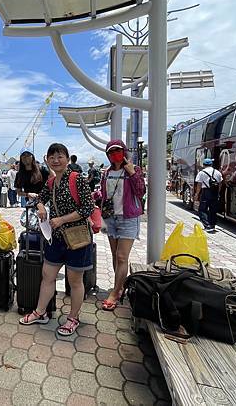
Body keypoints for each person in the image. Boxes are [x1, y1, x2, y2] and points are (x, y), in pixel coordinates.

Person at [19, 143, 94, 336]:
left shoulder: (77, 179)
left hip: (77, 239)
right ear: (47, 160)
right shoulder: (51, 182)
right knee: (47, 275)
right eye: (52, 157)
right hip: (57, 238)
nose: (56, 160)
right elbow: (38, 198)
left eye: (60, 156)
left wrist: (61, 219)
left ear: (67, 159)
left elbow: (87, 209)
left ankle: (73, 318)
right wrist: (41, 206)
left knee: (75, 281)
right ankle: (40, 312)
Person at [98, 139, 145, 311]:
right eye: (111, 152)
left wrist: (132, 173)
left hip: (128, 218)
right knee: (114, 255)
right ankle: (119, 287)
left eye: (117, 151)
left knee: (122, 257)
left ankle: (115, 292)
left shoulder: (134, 169)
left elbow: (141, 192)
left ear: (124, 151)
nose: (114, 154)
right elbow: (104, 194)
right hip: (110, 218)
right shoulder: (107, 172)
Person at [194, 158, 222, 232]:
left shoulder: (201, 172)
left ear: (203, 165)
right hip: (215, 192)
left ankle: (207, 225)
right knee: (213, 209)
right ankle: (212, 225)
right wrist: (218, 192)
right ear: (211, 164)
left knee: (202, 209)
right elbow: (220, 183)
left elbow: (199, 184)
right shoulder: (217, 172)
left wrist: (197, 194)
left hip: (206, 192)